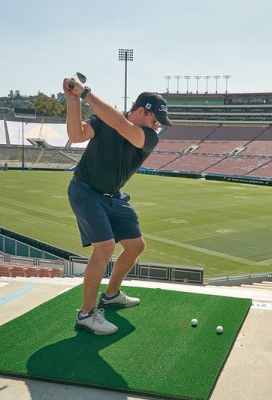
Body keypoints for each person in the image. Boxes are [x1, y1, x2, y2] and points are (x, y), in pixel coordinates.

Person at [63, 74, 172, 335]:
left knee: (136, 246)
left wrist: (85, 92)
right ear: (142, 111)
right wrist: (73, 100)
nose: (157, 127)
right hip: (85, 191)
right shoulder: (103, 118)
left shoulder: (148, 137)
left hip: (113, 196)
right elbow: (76, 134)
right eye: (156, 120)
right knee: (105, 248)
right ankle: (87, 314)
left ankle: (110, 295)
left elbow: (121, 125)